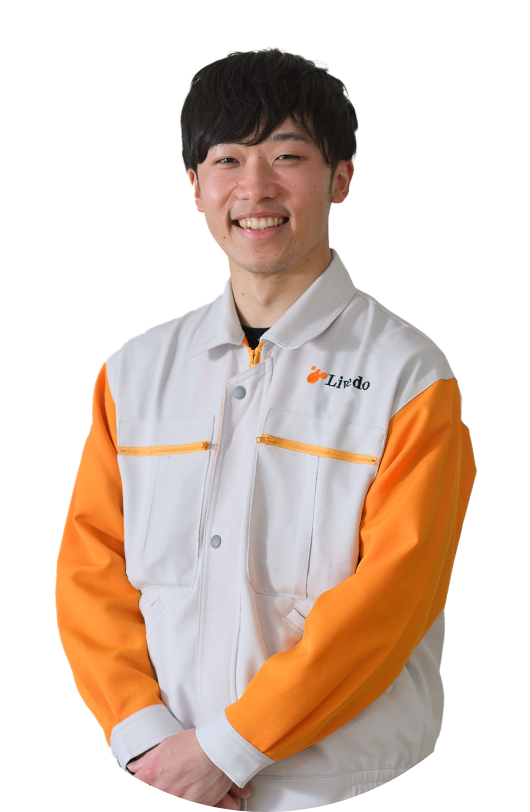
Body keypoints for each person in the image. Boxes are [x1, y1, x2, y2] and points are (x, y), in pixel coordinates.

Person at [55, 47, 476, 810]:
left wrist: (228, 750)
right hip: (162, 773)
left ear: (341, 177)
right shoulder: (133, 371)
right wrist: (145, 738)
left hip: (343, 785)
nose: (255, 188)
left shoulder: (409, 376)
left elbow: (392, 599)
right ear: (194, 185)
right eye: (227, 159)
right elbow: (91, 572)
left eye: (287, 155)